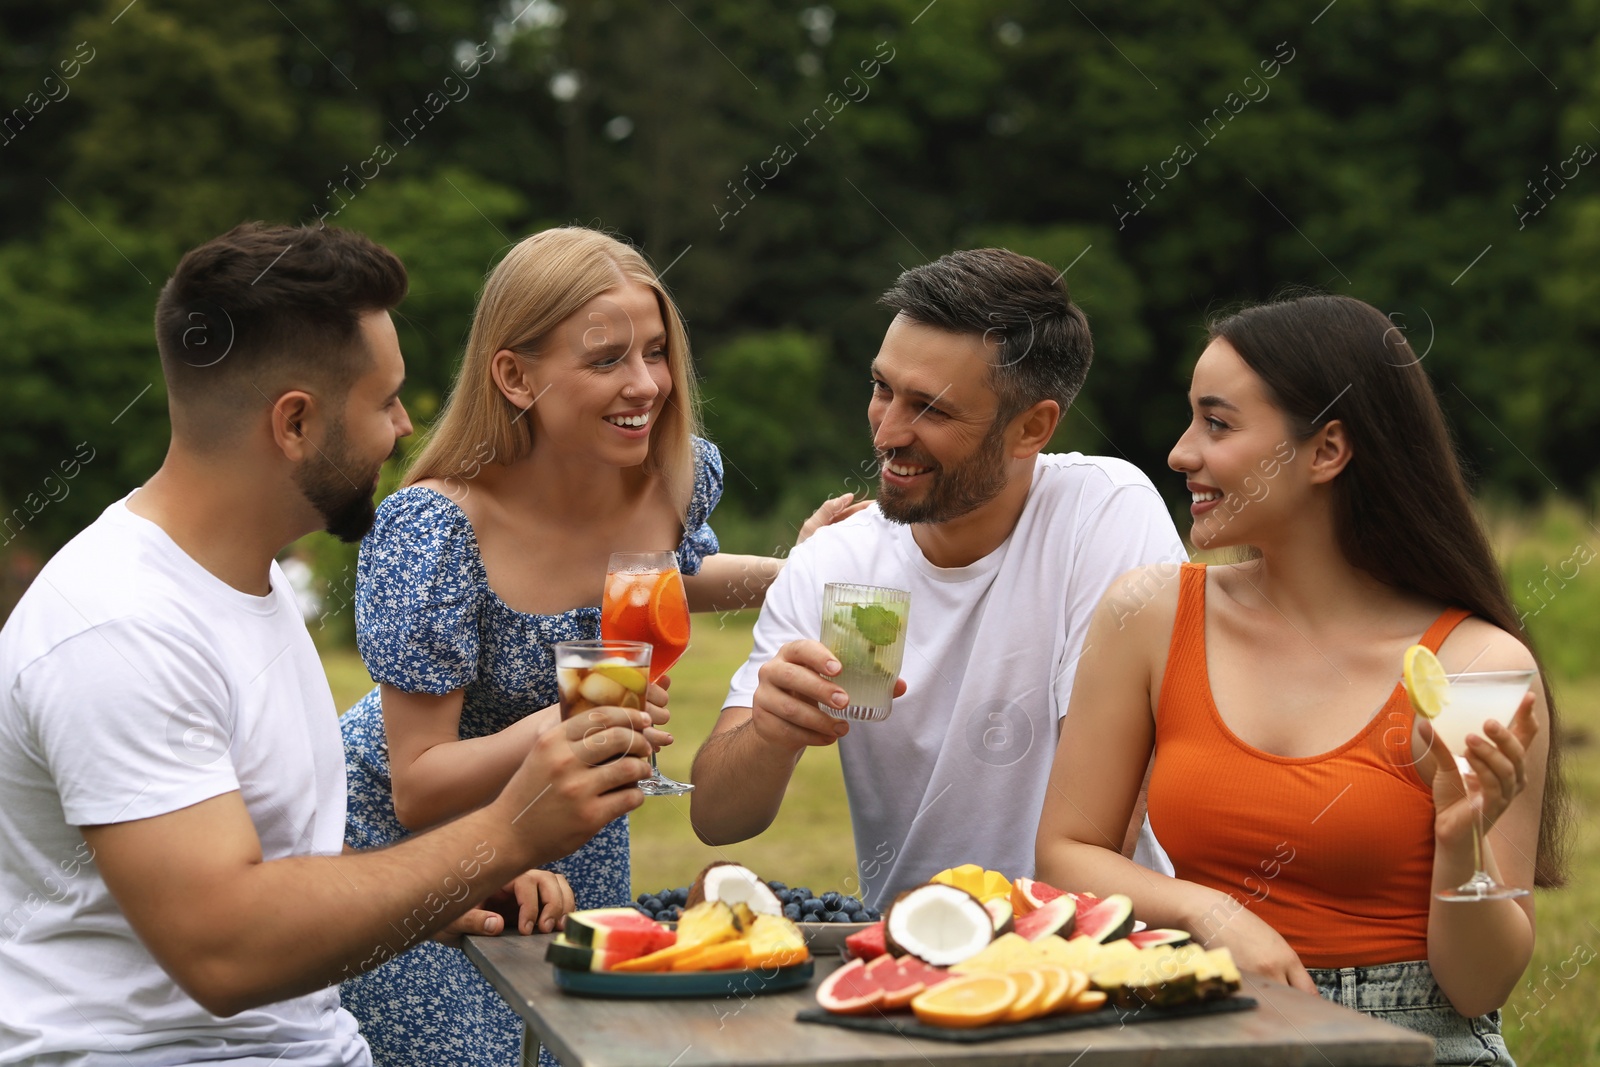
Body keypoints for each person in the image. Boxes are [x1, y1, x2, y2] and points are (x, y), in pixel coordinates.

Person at [0, 223, 655, 1065]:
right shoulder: (122, 627)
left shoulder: (246, 584)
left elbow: (274, 855)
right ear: (296, 423)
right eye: (384, 401)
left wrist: (451, 882)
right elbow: (224, 949)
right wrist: (506, 833)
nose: (405, 425)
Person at [338, 226, 861, 1066]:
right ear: (513, 375)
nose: (646, 383)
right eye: (607, 359)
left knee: (587, 1048)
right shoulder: (435, 528)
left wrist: (797, 571)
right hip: (417, 847)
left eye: (655, 352)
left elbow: (674, 575)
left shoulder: (661, 475)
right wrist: (584, 716)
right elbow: (416, 783)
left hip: (576, 816)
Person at [1034, 293, 1571, 1065]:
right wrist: (1211, 913)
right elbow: (1066, 850)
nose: (1181, 452)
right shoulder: (1148, 615)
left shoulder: (1474, 667)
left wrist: (1462, 845)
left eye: (1217, 424)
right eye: (1192, 419)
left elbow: (1478, 989)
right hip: (1206, 1019)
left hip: (1414, 1040)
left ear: (1326, 451)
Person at [689, 248, 1187, 905]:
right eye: (882, 388)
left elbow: (1113, 811)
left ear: (1031, 427)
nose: (889, 432)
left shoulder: (1102, 512)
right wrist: (770, 734)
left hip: (1093, 946)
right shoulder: (835, 560)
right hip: (909, 956)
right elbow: (717, 817)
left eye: (932, 409)